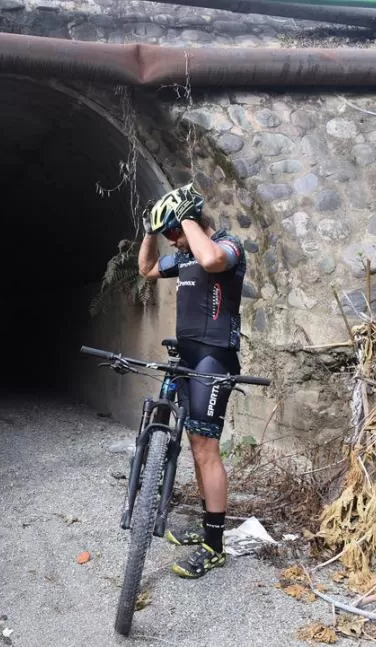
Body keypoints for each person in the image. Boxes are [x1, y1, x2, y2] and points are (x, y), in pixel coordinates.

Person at [137, 183, 247, 579]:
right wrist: (150, 230)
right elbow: (148, 270)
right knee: (196, 444)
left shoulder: (227, 245)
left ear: (193, 221)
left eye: (174, 232)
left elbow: (213, 258)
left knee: (207, 450)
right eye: (168, 236)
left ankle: (215, 546)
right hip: (187, 357)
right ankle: (206, 530)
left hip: (214, 358)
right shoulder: (183, 257)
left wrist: (185, 218)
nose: (172, 241)